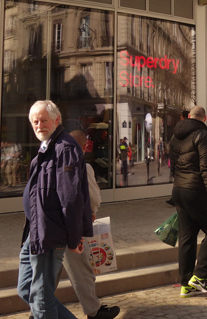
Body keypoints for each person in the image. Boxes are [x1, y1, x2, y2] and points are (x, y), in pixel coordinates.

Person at [17, 100, 92, 319]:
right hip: (36, 231)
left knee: (41, 296)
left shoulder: (65, 148)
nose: (39, 125)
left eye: (43, 120)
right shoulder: (46, 147)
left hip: (51, 232)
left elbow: (71, 199)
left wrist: (75, 236)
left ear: (57, 120)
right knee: (26, 289)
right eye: (35, 122)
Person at [169, 105, 207, 298]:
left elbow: (172, 164)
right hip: (196, 190)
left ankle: (186, 283)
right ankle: (200, 275)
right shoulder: (203, 135)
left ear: (189, 117)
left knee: (187, 236)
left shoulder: (175, 135)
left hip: (179, 190)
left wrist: (180, 182)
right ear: (204, 118)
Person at [65, 131, 120, 319]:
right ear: (83, 147)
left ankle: (36, 309)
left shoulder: (51, 162)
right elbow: (93, 197)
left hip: (50, 226)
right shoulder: (82, 166)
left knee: (49, 272)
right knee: (82, 270)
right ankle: (94, 311)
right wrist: (92, 212)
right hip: (74, 227)